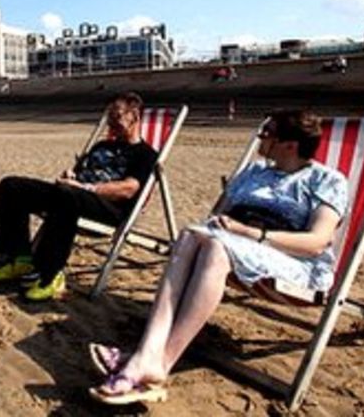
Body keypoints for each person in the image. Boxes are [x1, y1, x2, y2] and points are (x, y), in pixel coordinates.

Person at [87, 110, 348, 405]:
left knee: (214, 249)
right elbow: (216, 216)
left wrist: (250, 233)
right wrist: (226, 227)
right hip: (234, 244)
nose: (259, 138)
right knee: (188, 235)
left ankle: (161, 363)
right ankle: (148, 354)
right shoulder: (253, 172)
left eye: (267, 134)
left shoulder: (328, 180)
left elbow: (316, 243)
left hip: (290, 261)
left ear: (289, 145)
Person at [0, 92, 158, 301]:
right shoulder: (101, 146)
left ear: (136, 117)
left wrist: (85, 187)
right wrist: (71, 175)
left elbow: (128, 189)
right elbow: (77, 174)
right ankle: (20, 258)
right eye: (109, 117)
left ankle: (51, 275)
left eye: (117, 117)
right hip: (71, 195)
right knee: (11, 186)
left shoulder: (145, 154)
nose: (111, 123)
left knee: (67, 195)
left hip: (109, 208)